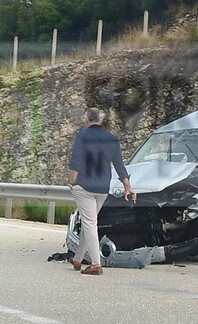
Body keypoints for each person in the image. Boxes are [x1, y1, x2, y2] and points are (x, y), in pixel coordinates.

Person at [67, 107, 136, 275]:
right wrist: (128, 187)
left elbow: (75, 160)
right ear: (101, 120)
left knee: (90, 223)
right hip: (103, 188)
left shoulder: (82, 136)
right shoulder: (111, 139)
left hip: (84, 186)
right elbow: (119, 164)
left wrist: (71, 181)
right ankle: (77, 259)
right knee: (89, 222)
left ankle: (96, 264)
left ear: (86, 120)